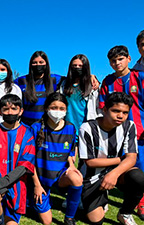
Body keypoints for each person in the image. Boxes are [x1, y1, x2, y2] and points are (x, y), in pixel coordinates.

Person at [79, 92, 144, 225]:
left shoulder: (129, 126)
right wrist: (120, 160)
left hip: (116, 174)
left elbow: (132, 158)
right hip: (92, 177)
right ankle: (90, 198)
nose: (120, 116)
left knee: (138, 177)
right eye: (116, 111)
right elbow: (90, 162)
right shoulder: (87, 128)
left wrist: (114, 173)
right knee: (96, 221)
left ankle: (125, 213)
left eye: (125, 112)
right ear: (104, 110)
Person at [99, 45, 144, 220]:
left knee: (139, 169)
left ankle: (140, 204)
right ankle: (102, 197)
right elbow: (102, 106)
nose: (117, 63)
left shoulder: (138, 77)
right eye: (113, 60)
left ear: (129, 59)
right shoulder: (107, 81)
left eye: (120, 59)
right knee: (114, 166)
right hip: (115, 134)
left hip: (140, 133)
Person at [0, 94, 35, 225]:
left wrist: (4, 182)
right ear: (0, 112)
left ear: (21, 111)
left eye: (14, 109)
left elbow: (25, 165)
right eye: (6, 109)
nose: (10, 112)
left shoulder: (27, 133)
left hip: (16, 184)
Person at [29, 93, 83, 225]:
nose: (57, 112)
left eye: (61, 108)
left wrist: (72, 165)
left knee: (76, 178)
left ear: (66, 110)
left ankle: (69, 217)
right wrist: (36, 185)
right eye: (54, 108)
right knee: (47, 222)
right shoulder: (35, 128)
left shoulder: (70, 128)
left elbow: (71, 151)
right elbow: (29, 161)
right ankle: (33, 199)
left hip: (60, 176)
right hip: (40, 179)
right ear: (46, 108)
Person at [14, 51, 63, 126]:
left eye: (41, 62)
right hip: (26, 126)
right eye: (35, 62)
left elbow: (72, 79)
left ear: (46, 64)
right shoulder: (21, 81)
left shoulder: (54, 79)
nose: (38, 65)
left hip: (47, 126)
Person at [58, 54, 100, 138]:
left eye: (80, 66)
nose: (77, 68)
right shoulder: (63, 84)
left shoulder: (92, 85)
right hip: (67, 129)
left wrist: (92, 76)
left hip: (85, 128)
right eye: (74, 65)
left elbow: (98, 108)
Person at [133, 30, 144, 220]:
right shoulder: (135, 72)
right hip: (140, 129)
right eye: (143, 44)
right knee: (141, 166)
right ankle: (141, 203)